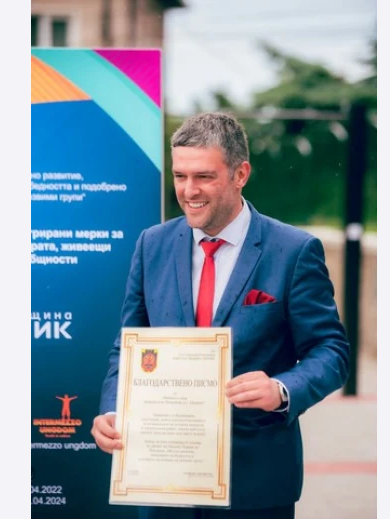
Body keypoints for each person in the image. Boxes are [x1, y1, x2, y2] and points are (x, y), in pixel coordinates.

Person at [91, 112, 349, 519]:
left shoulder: (294, 250)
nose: (188, 190)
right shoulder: (151, 245)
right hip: (162, 481)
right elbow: (127, 345)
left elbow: (331, 351)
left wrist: (281, 389)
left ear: (240, 174)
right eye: (180, 176)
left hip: (255, 483)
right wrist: (112, 409)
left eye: (204, 177)